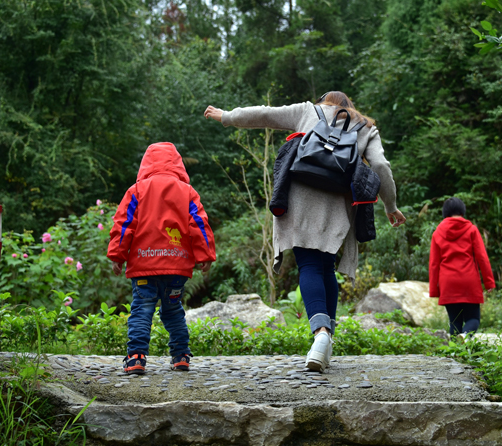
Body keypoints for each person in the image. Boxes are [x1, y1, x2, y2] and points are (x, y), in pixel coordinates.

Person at [204, 92, 406, 372]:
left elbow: (265, 114)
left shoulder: (307, 111)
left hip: (300, 199)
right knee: (325, 266)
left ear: (324, 101)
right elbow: (381, 166)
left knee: (309, 264)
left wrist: (227, 116)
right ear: (349, 106)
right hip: (338, 205)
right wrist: (390, 206)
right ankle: (327, 338)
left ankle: (320, 334)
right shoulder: (366, 128)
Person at [107, 142, 216, 375]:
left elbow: (124, 224)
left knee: (142, 309)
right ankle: (181, 355)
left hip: (144, 266)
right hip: (176, 267)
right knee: (173, 309)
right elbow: (199, 224)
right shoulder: (187, 192)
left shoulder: (136, 191)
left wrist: (117, 254)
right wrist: (205, 253)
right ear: (177, 164)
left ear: (146, 164)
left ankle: (136, 357)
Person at [429, 197, 495, 337]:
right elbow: (482, 258)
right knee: (473, 319)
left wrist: (434, 289)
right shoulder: (471, 230)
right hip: (469, 281)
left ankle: (456, 348)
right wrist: (489, 282)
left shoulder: (437, 233)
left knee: (454, 323)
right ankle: (465, 336)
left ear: (445, 213)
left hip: (448, 283)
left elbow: (434, 264)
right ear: (462, 211)